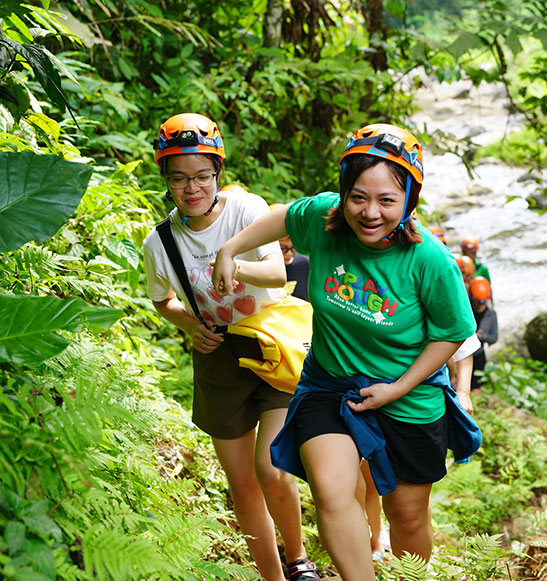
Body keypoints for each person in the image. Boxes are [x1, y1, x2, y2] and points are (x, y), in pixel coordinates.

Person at [211, 123, 481, 581]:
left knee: (408, 515)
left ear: (410, 200)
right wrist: (231, 248)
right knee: (333, 493)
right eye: (358, 197)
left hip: (409, 396)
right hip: (331, 384)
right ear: (343, 193)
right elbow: (282, 216)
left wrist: (396, 389)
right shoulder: (325, 220)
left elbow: (451, 335)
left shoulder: (429, 260)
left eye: (387, 201)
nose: (370, 213)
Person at [141, 113, 318, 581]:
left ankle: (298, 559)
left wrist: (232, 265)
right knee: (241, 482)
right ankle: (271, 576)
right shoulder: (160, 242)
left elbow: (280, 274)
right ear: (166, 180)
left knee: (271, 466)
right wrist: (187, 325)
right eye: (179, 178)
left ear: (218, 173)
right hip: (217, 358)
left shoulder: (244, 210)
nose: (191, 188)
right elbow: (163, 300)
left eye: (202, 176)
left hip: (271, 343)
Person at [270, 203, 311, 301]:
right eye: (283, 249)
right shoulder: (264, 265)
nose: (289, 254)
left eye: (293, 248)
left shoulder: (304, 263)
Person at [469, 276, 498, 393]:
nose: (480, 304)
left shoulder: (491, 314)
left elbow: (494, 338)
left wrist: (482, 336)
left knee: (476, 387)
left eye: (483, 302)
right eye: (477, 302)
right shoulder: (467, 310)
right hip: (463, 354)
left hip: (479, 356)